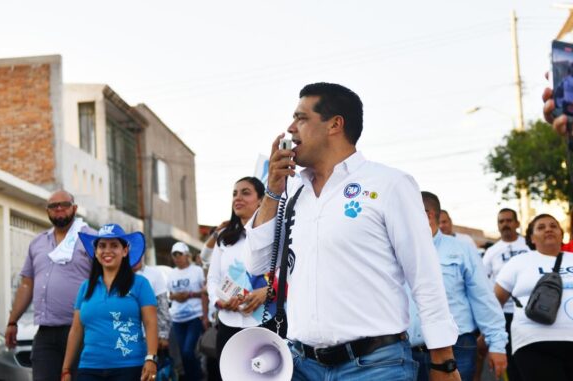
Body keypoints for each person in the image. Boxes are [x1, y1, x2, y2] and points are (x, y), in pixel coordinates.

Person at [245, 82, 460, 380]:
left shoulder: (389, 184)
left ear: (335, 124)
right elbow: (256, 264)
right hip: (302, 365)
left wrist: (443, 360)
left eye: (301, 118)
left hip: (375, 366)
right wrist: (271, 192)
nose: (290, 129)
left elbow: (424, 275)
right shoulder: (292, 192)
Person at [410, 192, 507, 381]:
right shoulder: (394, 249)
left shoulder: (461, 250)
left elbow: (483, 297)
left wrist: (497, 345)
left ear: (427, 214)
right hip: (407, 352)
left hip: (457, 347)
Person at [5, 190, 94, 381]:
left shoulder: (91, 239)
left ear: (75, 208)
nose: (59, 209)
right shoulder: (38, 242)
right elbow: (27, 284)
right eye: (53, 206)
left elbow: (106, 281)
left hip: (82, 331)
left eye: (64, 204)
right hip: (45, 333)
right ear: (47, 211)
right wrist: (13, 321)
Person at [61, 224, 158, 381]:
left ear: (125, 251)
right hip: (88, 368)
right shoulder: (85, 287)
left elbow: (151, 322)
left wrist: (151, 358)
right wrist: (66, 369)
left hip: (129, 367)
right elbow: (76, 329)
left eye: (114, 245)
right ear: (96, 252)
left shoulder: (140, 284)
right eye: (102, 246)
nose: (107, 250)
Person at [494, 214, 573, 381]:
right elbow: (494, 302)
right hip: (534, 344)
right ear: (532, 238)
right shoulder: (518, 262)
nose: (548, 229)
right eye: (541, 227)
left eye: (553, 226)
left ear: (562, 234)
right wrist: (493, 341)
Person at [207, 176, 279, 359]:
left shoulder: (277, 231)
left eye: (245, 193)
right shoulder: (223, 237)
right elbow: (213, 278)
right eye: (234, 194)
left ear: (261, 200)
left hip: (266, 321)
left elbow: (288, 271)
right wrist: (218, 301)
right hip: (228, 323)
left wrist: (269, 291)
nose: (237, 198)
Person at [481, 208, 530, 381]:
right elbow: (482, 282)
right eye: (501, 221)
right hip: (503, 314)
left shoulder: (529, 246)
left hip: (530, 313)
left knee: (529, 357)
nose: (505, 224)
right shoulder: (491, 252)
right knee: (510, 359)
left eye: (509, 220)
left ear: (517, 223)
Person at [167, 242, 208, 381]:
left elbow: (205, 292)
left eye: (180, 254)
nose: (177, 257)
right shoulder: (172, 273)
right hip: (177, 318)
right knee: (182, 353)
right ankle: (191, 377)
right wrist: (176, 296)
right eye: (174, 255)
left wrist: (205, 315)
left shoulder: (196, 270)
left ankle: (197, 376)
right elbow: (170, 295)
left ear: (187, 255)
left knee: (188, 351)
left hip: (194, 316)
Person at [133, 255, 171, 351]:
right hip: (125, 335)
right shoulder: (119, 274)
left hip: (149, 336)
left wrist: (163, 335)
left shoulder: (155, 274)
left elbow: (163, 306)